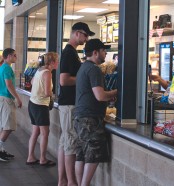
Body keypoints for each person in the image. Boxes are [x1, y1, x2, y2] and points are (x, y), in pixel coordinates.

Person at [74, 39, 117, 186]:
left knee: (81, 155)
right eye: (104, 51)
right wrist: (116, 92)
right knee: (93, 154)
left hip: (80, 116)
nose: (106, 54)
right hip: (90, 119)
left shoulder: (83, 67)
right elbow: (100, 95)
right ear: (95, 52)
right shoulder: (94, 69)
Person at [58, 22, 95, 186]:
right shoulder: (69, 53)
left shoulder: (71, 53)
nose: (86, 39)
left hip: (68, 104)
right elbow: (64, 80)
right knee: (71, 143)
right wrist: (83, 79)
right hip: (69, 105)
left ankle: (63, 180)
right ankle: (71, 181)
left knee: (65, 142)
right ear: (77, 33)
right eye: (85, 35)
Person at [26, 52, 59, 166]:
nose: (58, 63)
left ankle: (30, 156)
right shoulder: (48, 73)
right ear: (52, 62)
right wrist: (53, 95)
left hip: (32, 103)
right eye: (57, 61)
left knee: (35, 132)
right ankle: (43, 159)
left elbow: (31, 82)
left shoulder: (39, 70)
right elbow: (47, 93)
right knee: (45, 133)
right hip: (40, 106)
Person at [0, 48, 22, 161]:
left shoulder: (3, 67)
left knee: (5, 126)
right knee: (8, 127)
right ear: (8, 56)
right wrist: (18, 98)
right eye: (14, 55)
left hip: (3, 98)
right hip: (7, 99)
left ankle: (1, 149)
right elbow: (9, 85)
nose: (16, 57)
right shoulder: (7, 68)